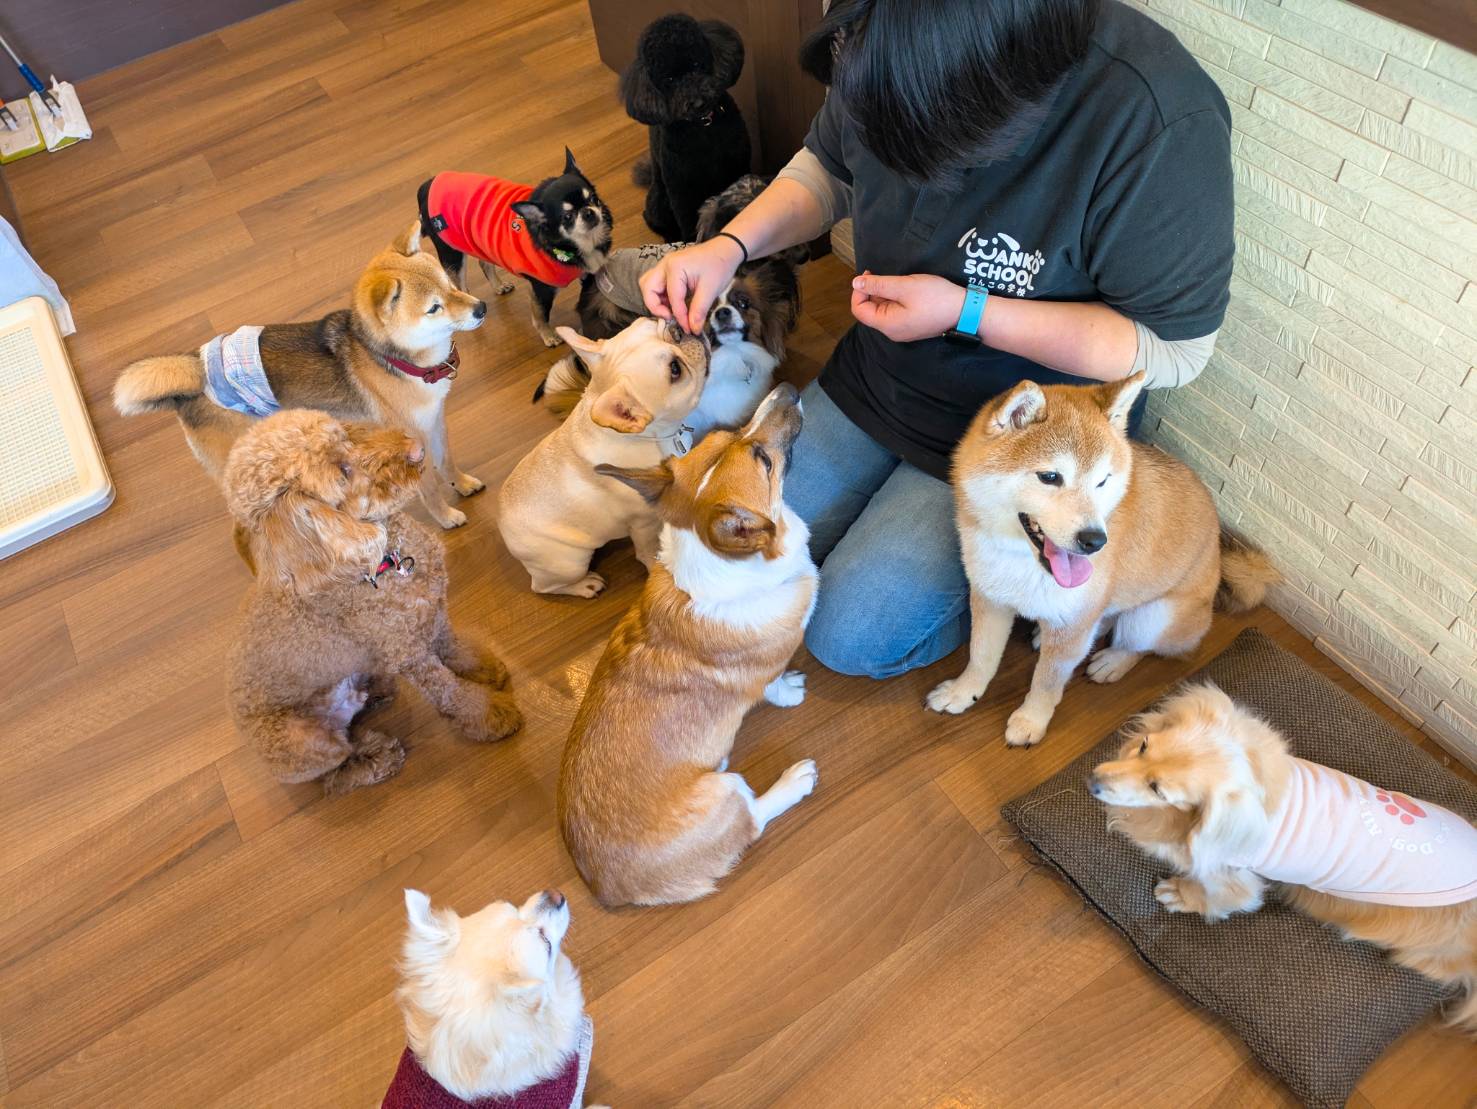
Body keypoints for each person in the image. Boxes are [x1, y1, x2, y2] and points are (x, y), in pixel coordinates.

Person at [640, 0, 1234, 679]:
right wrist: (728, 246)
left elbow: (1173, 349)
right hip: (879, 375)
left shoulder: (1153, 118)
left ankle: (1004, 597)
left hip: (1026, 440)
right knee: (715, 538)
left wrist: (966, 311)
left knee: (848, 636)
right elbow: (827, 170)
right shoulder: (883, 37)